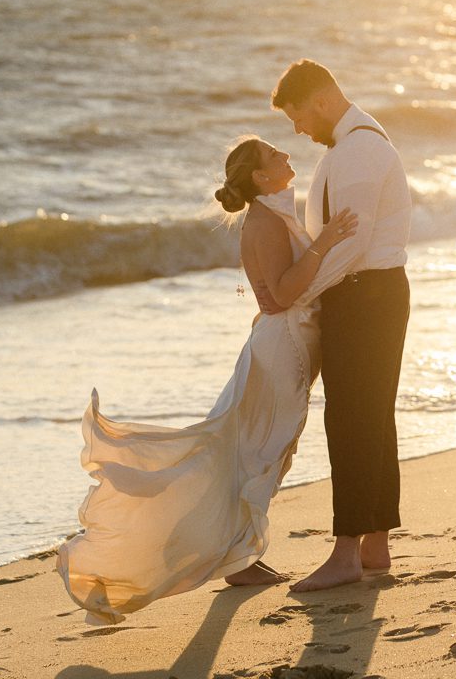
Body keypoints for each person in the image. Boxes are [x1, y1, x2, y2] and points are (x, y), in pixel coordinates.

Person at [56, 136, 357, 624]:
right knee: (259, 451)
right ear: (261, 177)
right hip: (282, 346)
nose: (285, 156)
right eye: (275, 155)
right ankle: (230, 558)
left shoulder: (272, 215)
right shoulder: (265, 222)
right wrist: (327, 241)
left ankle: (237, 554)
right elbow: (279, 297)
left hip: (283, 343)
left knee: (257, 450)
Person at [270, 59, 412, 592]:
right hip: (373, 294)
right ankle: (375, 543)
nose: (299, 129)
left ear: (323, 100)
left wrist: (296, 293)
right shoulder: (357, 143)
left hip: (365, 296)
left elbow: (350, 243)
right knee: (372, 417)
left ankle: (346, 552)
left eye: (299, 116)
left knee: (352, 421)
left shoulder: (358, 150)